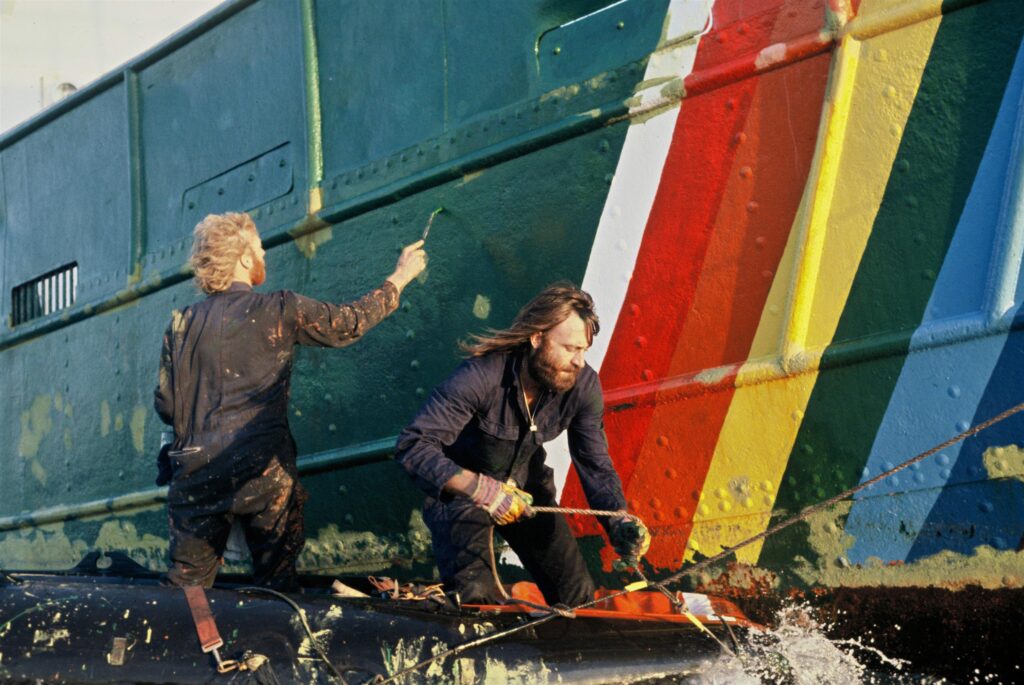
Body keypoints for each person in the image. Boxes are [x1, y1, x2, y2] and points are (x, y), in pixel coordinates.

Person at [154, 211, 426, 590]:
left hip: (197, 475)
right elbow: (348, 323)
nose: (264, 255)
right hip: (263, 474)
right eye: (260, 248)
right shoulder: (279, 308)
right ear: (246, 258)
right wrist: (400, 277)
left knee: (186, 592)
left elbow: (167, 405)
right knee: (276, 587)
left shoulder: (180, 323)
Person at [394, 283, 650, 606]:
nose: (579, 362)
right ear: (537, 338)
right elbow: (412, 445)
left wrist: (619, 521)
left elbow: (596, 465)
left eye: (584, 350)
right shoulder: (481, 375)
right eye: (570, 348)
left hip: (527, 494)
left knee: (579, 596)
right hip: (462, 497)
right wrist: (479, 488)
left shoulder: (583, 386)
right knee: (477, 601)